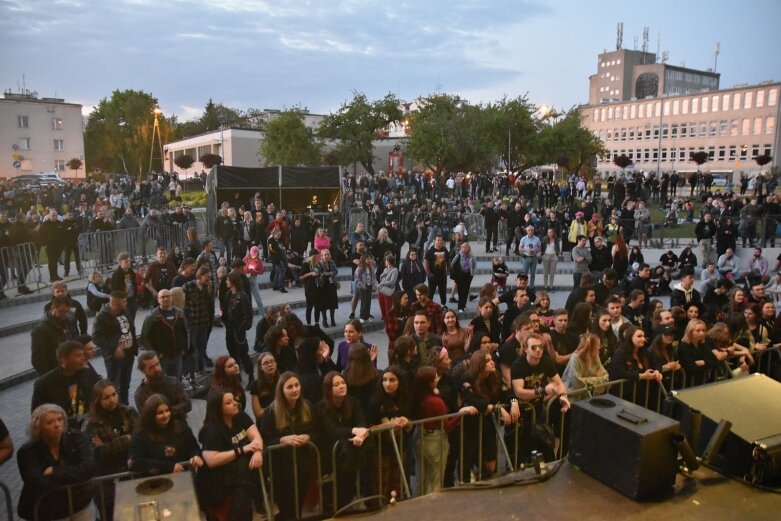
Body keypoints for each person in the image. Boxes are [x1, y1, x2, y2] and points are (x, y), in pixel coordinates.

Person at [17, 404, 95, 521]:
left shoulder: (76, 437)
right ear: (38, 427)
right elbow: (37, 483)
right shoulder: (28, 451)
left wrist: (54, 471)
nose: (57, 425)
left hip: (79, 506)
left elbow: (88, 468)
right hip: (47, 512)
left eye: (60, 419)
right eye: (50, 423)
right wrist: (75, 476)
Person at [198, 388, 264, 521]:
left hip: (240, 482)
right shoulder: (211, 430)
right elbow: (211, 460)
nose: (235, 403)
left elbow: (256, 436)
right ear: (218, 408)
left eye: (234, 399)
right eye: (229, 402)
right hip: (216, 483)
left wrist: (257, 451)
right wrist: (241, 450)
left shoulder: (240, 416)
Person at [259, 372, 317, 521]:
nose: (294, 390)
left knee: (297, 506)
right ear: (281, 390)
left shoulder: (307, 406)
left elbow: (317, 430)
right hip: (281, 470)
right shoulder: (271, 412)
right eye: (290, 387)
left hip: (303, 465)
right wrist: (282, 439)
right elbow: (263, 441)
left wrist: (308, 436)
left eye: (297, 385)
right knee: (287, 507)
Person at [414, 366, 476, 495]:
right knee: (435, 477)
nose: (437, 378)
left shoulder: (418, 398)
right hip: (434, 441)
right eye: (435, 377)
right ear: (429, 382)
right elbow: (447, 427)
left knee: (421, 476)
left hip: (419, 437)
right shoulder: (437, 402)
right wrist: (460, 414)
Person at [82, 380, 138, 520]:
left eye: (114, 394)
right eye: (106, 397)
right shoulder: (91, 423)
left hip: (131, 473)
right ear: (97, 400)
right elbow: (97, 454)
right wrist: (126, 439)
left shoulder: (128, 412)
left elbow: (139, 440)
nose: (112, 400)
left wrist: (108, 445)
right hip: (106, 483)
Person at [510, 333, 571, 462]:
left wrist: (563, 396)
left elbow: (559, 383)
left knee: (545, 445)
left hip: (537, 409)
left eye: (540, 347)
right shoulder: (518, 365)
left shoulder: (546, 361)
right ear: (525, 349)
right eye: (534, 347)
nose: (538, 350)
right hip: (520, 410)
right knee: (519, 449)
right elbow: (519, 392)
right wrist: (543, 390)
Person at [316, 371, 371, 510]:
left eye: (343, 383)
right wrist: (354, 431)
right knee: (332, 495)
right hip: (329, 457)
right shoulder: (321, 407)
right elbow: (332, 431)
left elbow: (362, 423)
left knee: (348, 490)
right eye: (337, 384)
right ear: (329, 389)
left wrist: (360, 435)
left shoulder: (353, 401)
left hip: (350, 455)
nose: (342, 386)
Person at [460, 349, 517, 480]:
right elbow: (473, 401)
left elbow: (507, 392)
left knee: (491, 464)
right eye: (487, 361)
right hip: (471, 425)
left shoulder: (495, 376)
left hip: (489, 424)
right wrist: (495, 407)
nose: (492, 362)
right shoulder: (467, 378)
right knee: (467, 460)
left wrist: (514, 403)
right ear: (479, 364)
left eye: (491, 359)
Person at [366, 367, 412, 504]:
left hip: (400, 447)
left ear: (399, 382)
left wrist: (407, 422)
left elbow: (411, 426)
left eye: (392, 380)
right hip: (381, 451)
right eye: (384, 380)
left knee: (397, 485)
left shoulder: (405, 399)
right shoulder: (375, 402)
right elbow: (368, 428)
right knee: (381, 484)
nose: (388, 384)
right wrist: (387, 425)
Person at [31, 340, 101, 429]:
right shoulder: (44, 384)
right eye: (78, 355)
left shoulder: (87, 373)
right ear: (63, 360)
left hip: (88, 426)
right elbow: (37, 416)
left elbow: (96, 398)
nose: (83, 358)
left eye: (82, 354)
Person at [129, 393, 203, 475]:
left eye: (167, 411)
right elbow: (135, 461)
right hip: (156, 481)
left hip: (184, 477)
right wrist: (168, 467)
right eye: (160, 413)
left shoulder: (181, 427)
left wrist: (195, 456)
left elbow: (194, 447)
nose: (165, 415)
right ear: (150, 415)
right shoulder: (140, 434)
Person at [93, 290, 137, 404]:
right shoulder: (102, 316)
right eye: (123, 301)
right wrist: (115, 347)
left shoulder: (124, 310)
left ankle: (125, 407)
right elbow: (96, 338)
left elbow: (130, 328)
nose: (126, 303)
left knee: (125, 385)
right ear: (116, 302)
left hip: (129, 353)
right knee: (114, 386)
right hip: (114, 357)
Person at [140, 288, 189, 379]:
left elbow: (186, 331)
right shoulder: (152, 316)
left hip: (177, 355)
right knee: (161, 381)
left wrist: (185, 348)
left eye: (168, 296)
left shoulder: (180, 313)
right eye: (162, 297)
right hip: (162, 358)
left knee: (176, 381)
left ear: (172, 298)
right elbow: (144, 337)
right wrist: (155, 353)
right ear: (158, 300)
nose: (165, 299)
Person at [133, 351, 192, 422]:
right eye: (151, 367)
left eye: (157, 364)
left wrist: (162, 413)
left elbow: (187, 404)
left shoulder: (173, 382)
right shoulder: (141, 394)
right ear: (143, 371)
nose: (157, 369)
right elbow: (147, 419)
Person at [31, 295, 80, 376]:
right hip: (54, 373)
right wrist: (51, 377)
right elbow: (38, 360)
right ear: (53, 309)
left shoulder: (68, 321)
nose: (65, 314)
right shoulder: (40, 330)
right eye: (62, 311)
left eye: (67, 311)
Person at [184, 266, 215, 375]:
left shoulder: (207, 287)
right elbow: (184, 304)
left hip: (203, 322)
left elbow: (210, 303)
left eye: (210, 277)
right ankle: (189, 371)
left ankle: (200, 369)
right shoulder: (188, 286)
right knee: (191, 348)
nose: (209, 279)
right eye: (207, 277)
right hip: (193, 323)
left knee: (202, 347)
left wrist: (210, 290)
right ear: (200, 276)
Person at [223, 272, 255, 379]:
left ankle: (250, 376)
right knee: (232, 351)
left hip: (238, 329)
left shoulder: (243, 297)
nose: (226, 282)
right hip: (230, 329)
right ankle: (237, 375)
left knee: (243, 353)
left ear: (233, 281)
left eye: (228, 280)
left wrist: (240, 330)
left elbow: (247, 316)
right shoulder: (228, 294)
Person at [249, 352, 279, 421]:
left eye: (272, 361)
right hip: (266, 421)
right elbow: (258, 413)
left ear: (276, 363)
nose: (270, 365)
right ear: (261, 367)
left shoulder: (282, 380)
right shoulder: (255, 385)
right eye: (266, 363)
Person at [110, 252, 139, 323]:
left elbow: (134, 284)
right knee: (125, 321)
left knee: (132, 320)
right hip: (122, 301)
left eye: (129, 261)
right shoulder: (116, 274)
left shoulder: (131, 272)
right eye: (126, 261)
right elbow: (114, 290)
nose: (128, 263)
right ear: (120, 262)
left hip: (132, 299)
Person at [424, 235, 450, 305]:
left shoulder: (445, 250)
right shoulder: (430, 251)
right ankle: (429, 306)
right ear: (434, 241)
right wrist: (429, 273)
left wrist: (448, 270)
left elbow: (448, 260)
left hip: (442, 275)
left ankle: (443, 305)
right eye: (438, 240)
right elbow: (425, 262)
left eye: (441, 240)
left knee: (443, 292)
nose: (439, 242)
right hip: (433, 276)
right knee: (431, 292)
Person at [317, 249, 339, 327]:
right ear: (322, 256)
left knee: (332, 303)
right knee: (323, 304)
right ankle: (324, 320)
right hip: (323, 285)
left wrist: (329, 273)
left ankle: (332, 319)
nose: (327, 256)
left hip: (331, 285)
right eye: (325, 254)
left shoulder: (332, 262)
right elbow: (318, 273)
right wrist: (323, 274)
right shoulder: (319, 264)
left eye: (328, 254)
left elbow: (336, 271)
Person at [242, 245, 266, 318]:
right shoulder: (245, 259)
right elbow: (242, 269)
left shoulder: (259, 261)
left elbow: (262, 271)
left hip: (253, 280)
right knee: (246, 299)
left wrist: (255, 271)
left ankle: (263, 316)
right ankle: (247, 316)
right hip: (246, 280)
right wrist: (246, 270)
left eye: (255, 255)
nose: (253, 256)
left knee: (258, 299)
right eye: (252, 255)